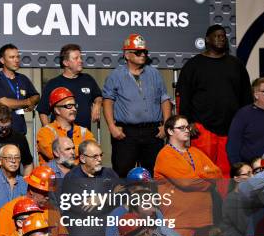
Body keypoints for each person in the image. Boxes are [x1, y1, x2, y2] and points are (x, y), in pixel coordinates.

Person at [154, 114, 222, 236]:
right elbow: (186, 182)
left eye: (187, 128)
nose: (187, 131)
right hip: (179, 220)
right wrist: (205, 178)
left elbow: (217, 174)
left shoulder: (195, 152)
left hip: (203, 219)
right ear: (170, 131)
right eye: (182, 128)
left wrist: (199, 176)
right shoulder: (165, 155)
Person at [176, 24, 252, 176]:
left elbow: (246, 97)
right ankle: (205, 200)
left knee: (227, 171)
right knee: (204, 171)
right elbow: (183, 97)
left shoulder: (236, 64)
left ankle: (225, 200)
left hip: (232, 128)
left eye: (223, 36)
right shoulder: (193, 65)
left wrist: (245, 123)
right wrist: (187, 123)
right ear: (207, 40)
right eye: (216, 36)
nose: (221, 38)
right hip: (202, 128)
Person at [102, 33, 171, 177]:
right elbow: (107, 101)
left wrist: (166, 125)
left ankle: (152, 200)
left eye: (144, 52)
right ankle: (122, 200)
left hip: (153, 132)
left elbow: (164, 99)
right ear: (127, 55)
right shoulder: (115, 75)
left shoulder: (155, 74)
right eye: (138, 52)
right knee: (122, 172)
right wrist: (112, 127)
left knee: (155, 173)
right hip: (126, 133)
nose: (143, 55)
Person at [64, 140, 119, 236]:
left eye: (101, 155)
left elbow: (123, 195)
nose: (99, 159)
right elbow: (85, 208)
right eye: (95, 156)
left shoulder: (109, 174)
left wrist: (102, 199)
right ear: (82, 158)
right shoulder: (72, 179)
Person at [0, 165, 68, 236]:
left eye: (49, 192)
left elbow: (62, 234)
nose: (48, 197)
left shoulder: (52, 209)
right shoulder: (9, 210)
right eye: (44, 193)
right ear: (32, 190)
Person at [38, 44, 102, 130]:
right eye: (76, 58)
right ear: (66, 63)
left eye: (80, 58)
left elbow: (98, 96)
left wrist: (97, 104)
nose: (80, 61)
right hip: (61, 138)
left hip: (83, 136)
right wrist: (50, 132)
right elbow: (43, 111)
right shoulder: (53, 83)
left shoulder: (88, 79)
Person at [0, 43, 40, 135]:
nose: (16, 60)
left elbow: (36, 96)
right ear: (2, 60)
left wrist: (32, 101)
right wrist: (27, 102)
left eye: (17, 57)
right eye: (12, 57)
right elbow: (3, 102)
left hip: (19, 130)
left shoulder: (23, 78)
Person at [37, 87, 95, 165]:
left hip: (79, 176)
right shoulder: (45, 132)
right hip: (54, 175)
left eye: (75, 106)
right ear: (57, 110)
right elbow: (59, 157)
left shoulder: (84, 132)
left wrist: (66, 151)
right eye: (69, 106)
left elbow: (94, 154)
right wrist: (83, 152)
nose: (74, 109)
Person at [0, 103, 34, 176]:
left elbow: (28, 164)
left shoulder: (19, 138)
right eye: (0, 128)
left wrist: (25, 184)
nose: (4, 131)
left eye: (7, 127)